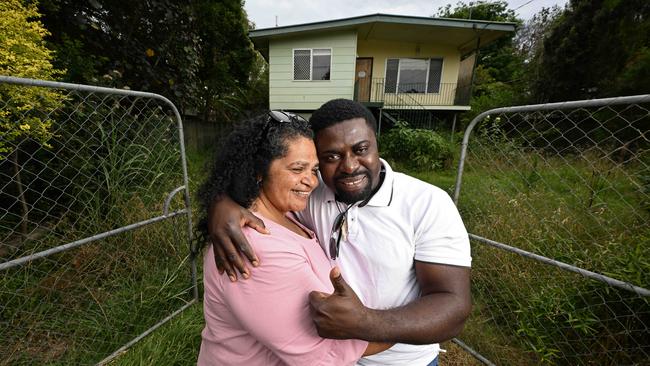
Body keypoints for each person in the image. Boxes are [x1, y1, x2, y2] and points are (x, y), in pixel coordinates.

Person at [208, 99, 472, 366]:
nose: (349, 166)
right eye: (331, 157)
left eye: (361, 149)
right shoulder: (311, 195)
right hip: (329, 356)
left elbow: (453, 305)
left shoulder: (426, 203)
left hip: (404, 361)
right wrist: (223, 203)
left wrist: (366, 323)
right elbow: (261, 187)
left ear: (376, 144)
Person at [195, 111, 390, 365]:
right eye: (298, 168)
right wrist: (412, 326)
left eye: (315, 169)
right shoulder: (254, 247)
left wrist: (220, 202)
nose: (311, 181)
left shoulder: (286, 215)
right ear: (258, 171)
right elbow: (323, 355)